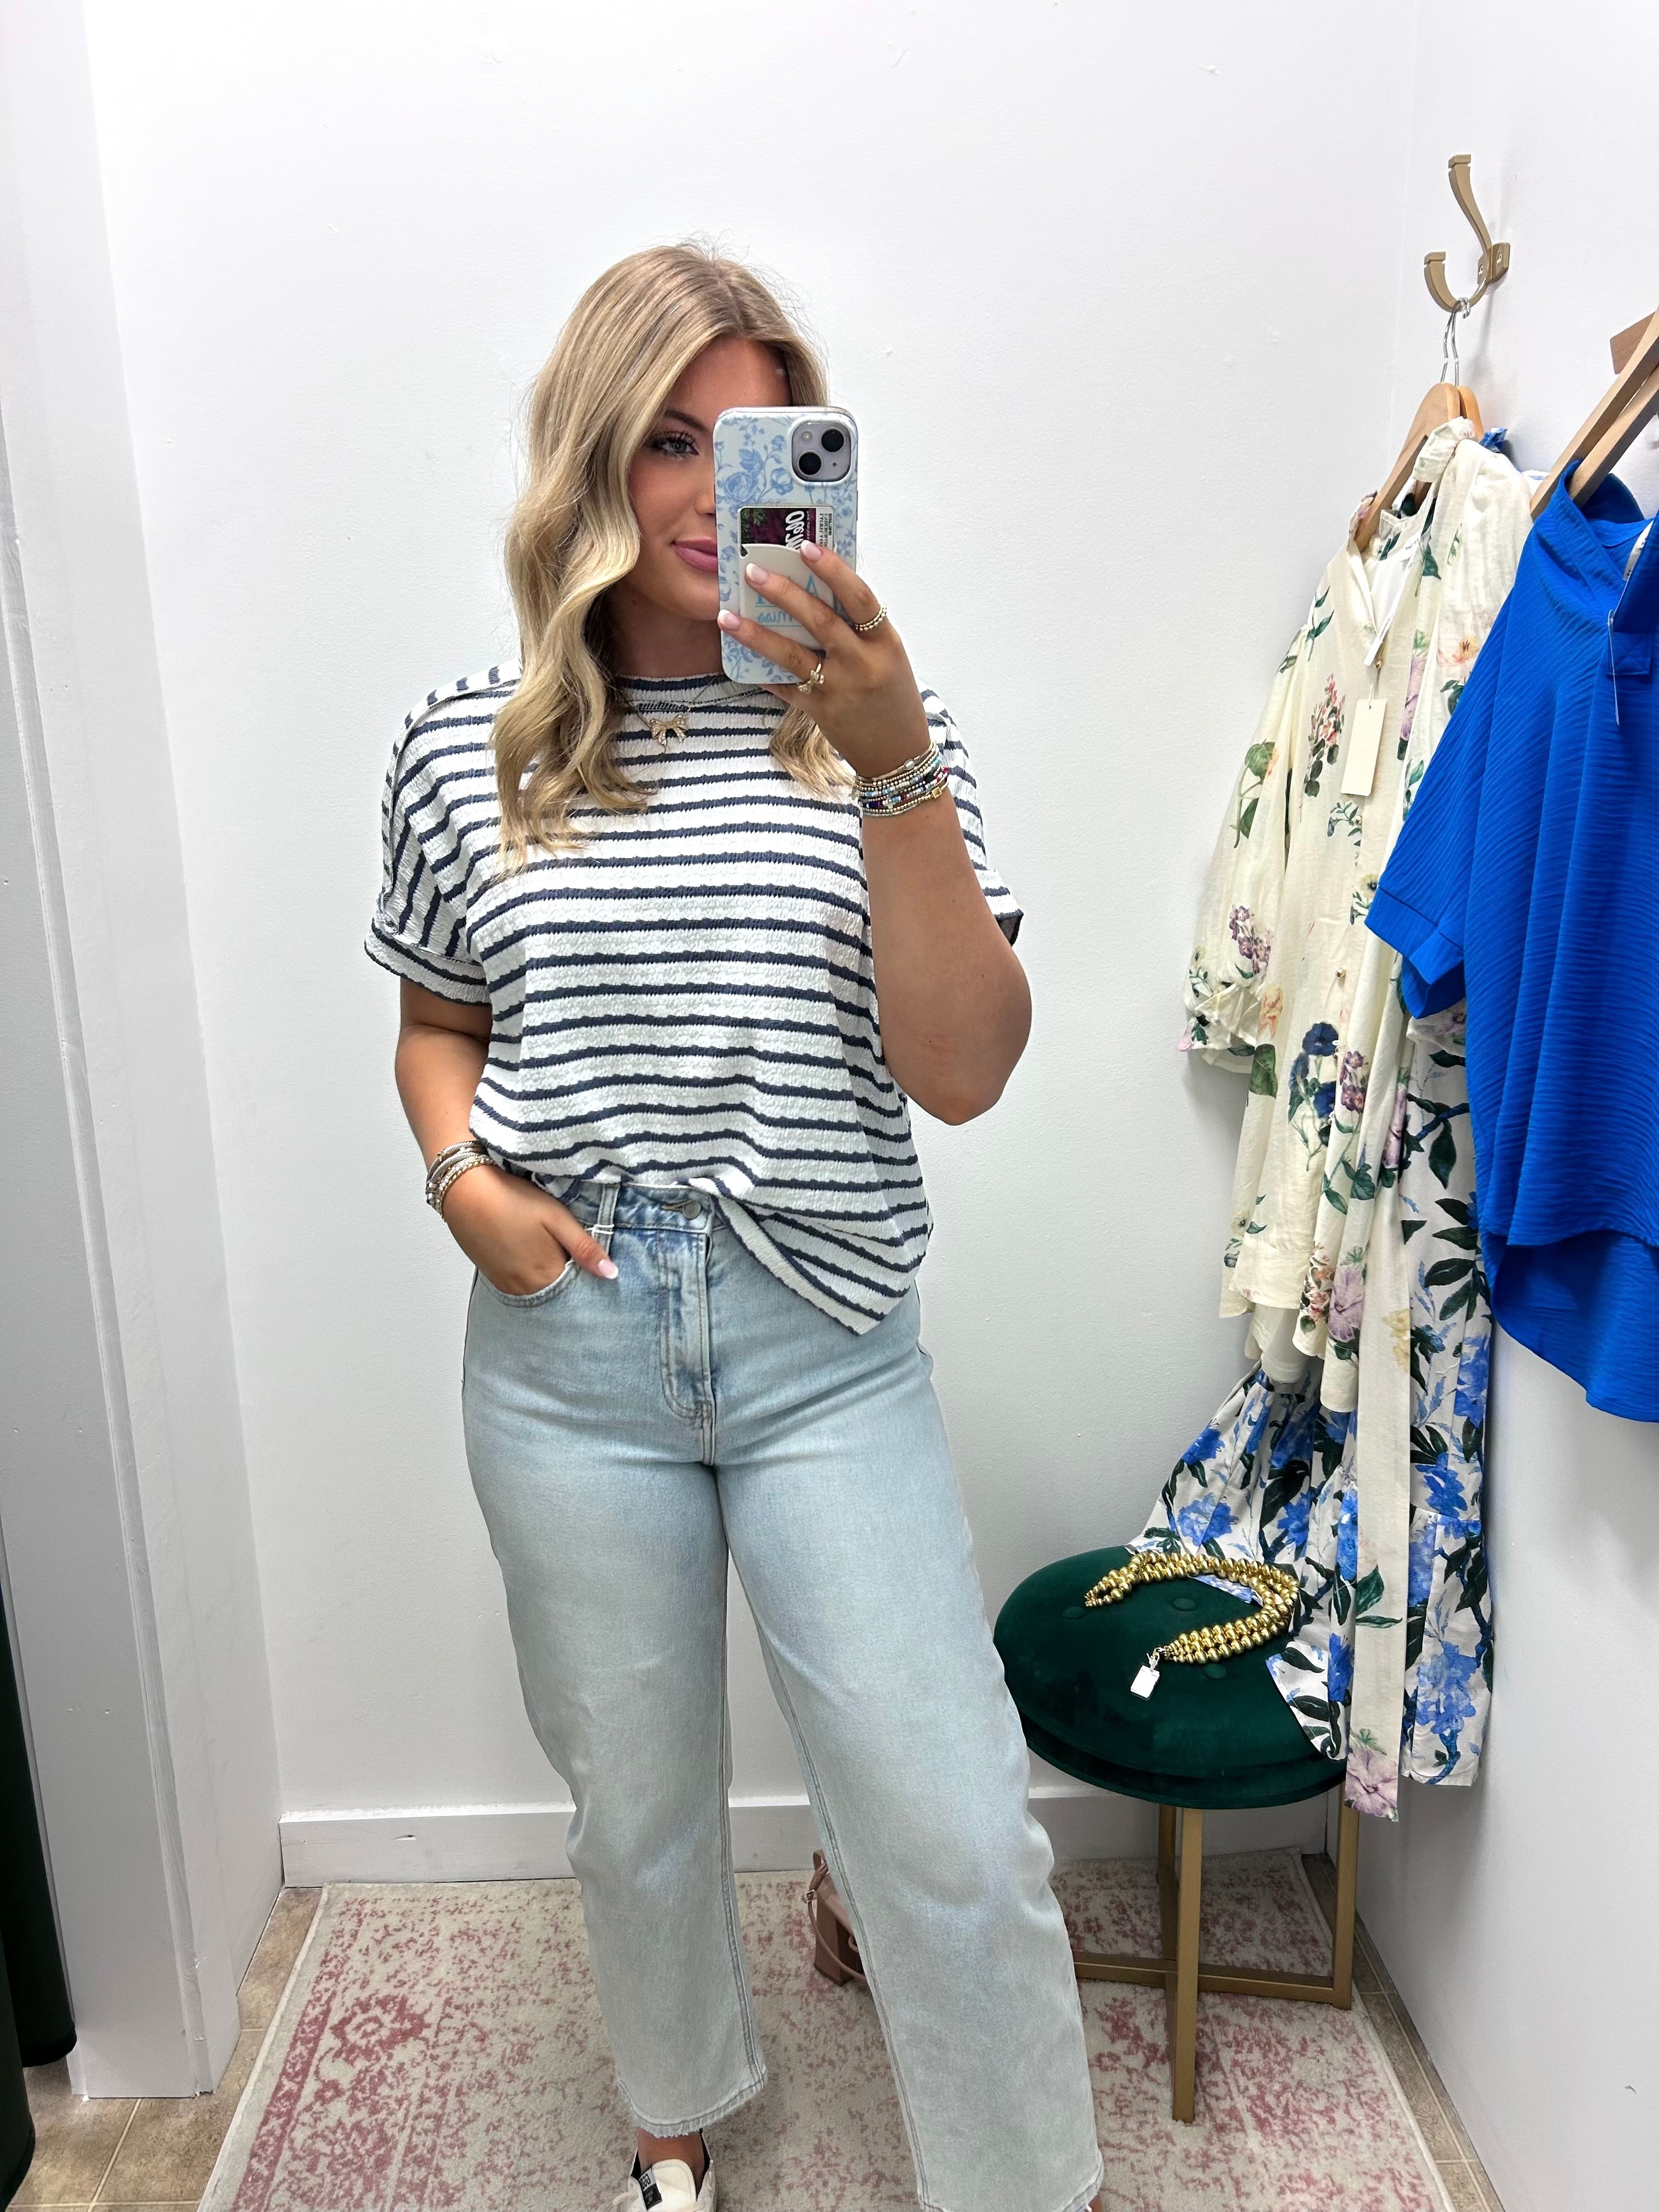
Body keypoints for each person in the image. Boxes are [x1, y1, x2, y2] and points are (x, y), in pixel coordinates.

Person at [366, 243, 1103, 2212]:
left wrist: (896, 759)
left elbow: (967, 1071)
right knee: (636, 1809)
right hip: (568, 1348)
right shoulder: (470, 744)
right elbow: (437, 1024)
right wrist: (466, 1190)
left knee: (955, 1829)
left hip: (822, 1334)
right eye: (672, 440)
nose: (715, 493)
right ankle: (675, 2118)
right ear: (592, 459)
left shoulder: (881, 742)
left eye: (766, 443)